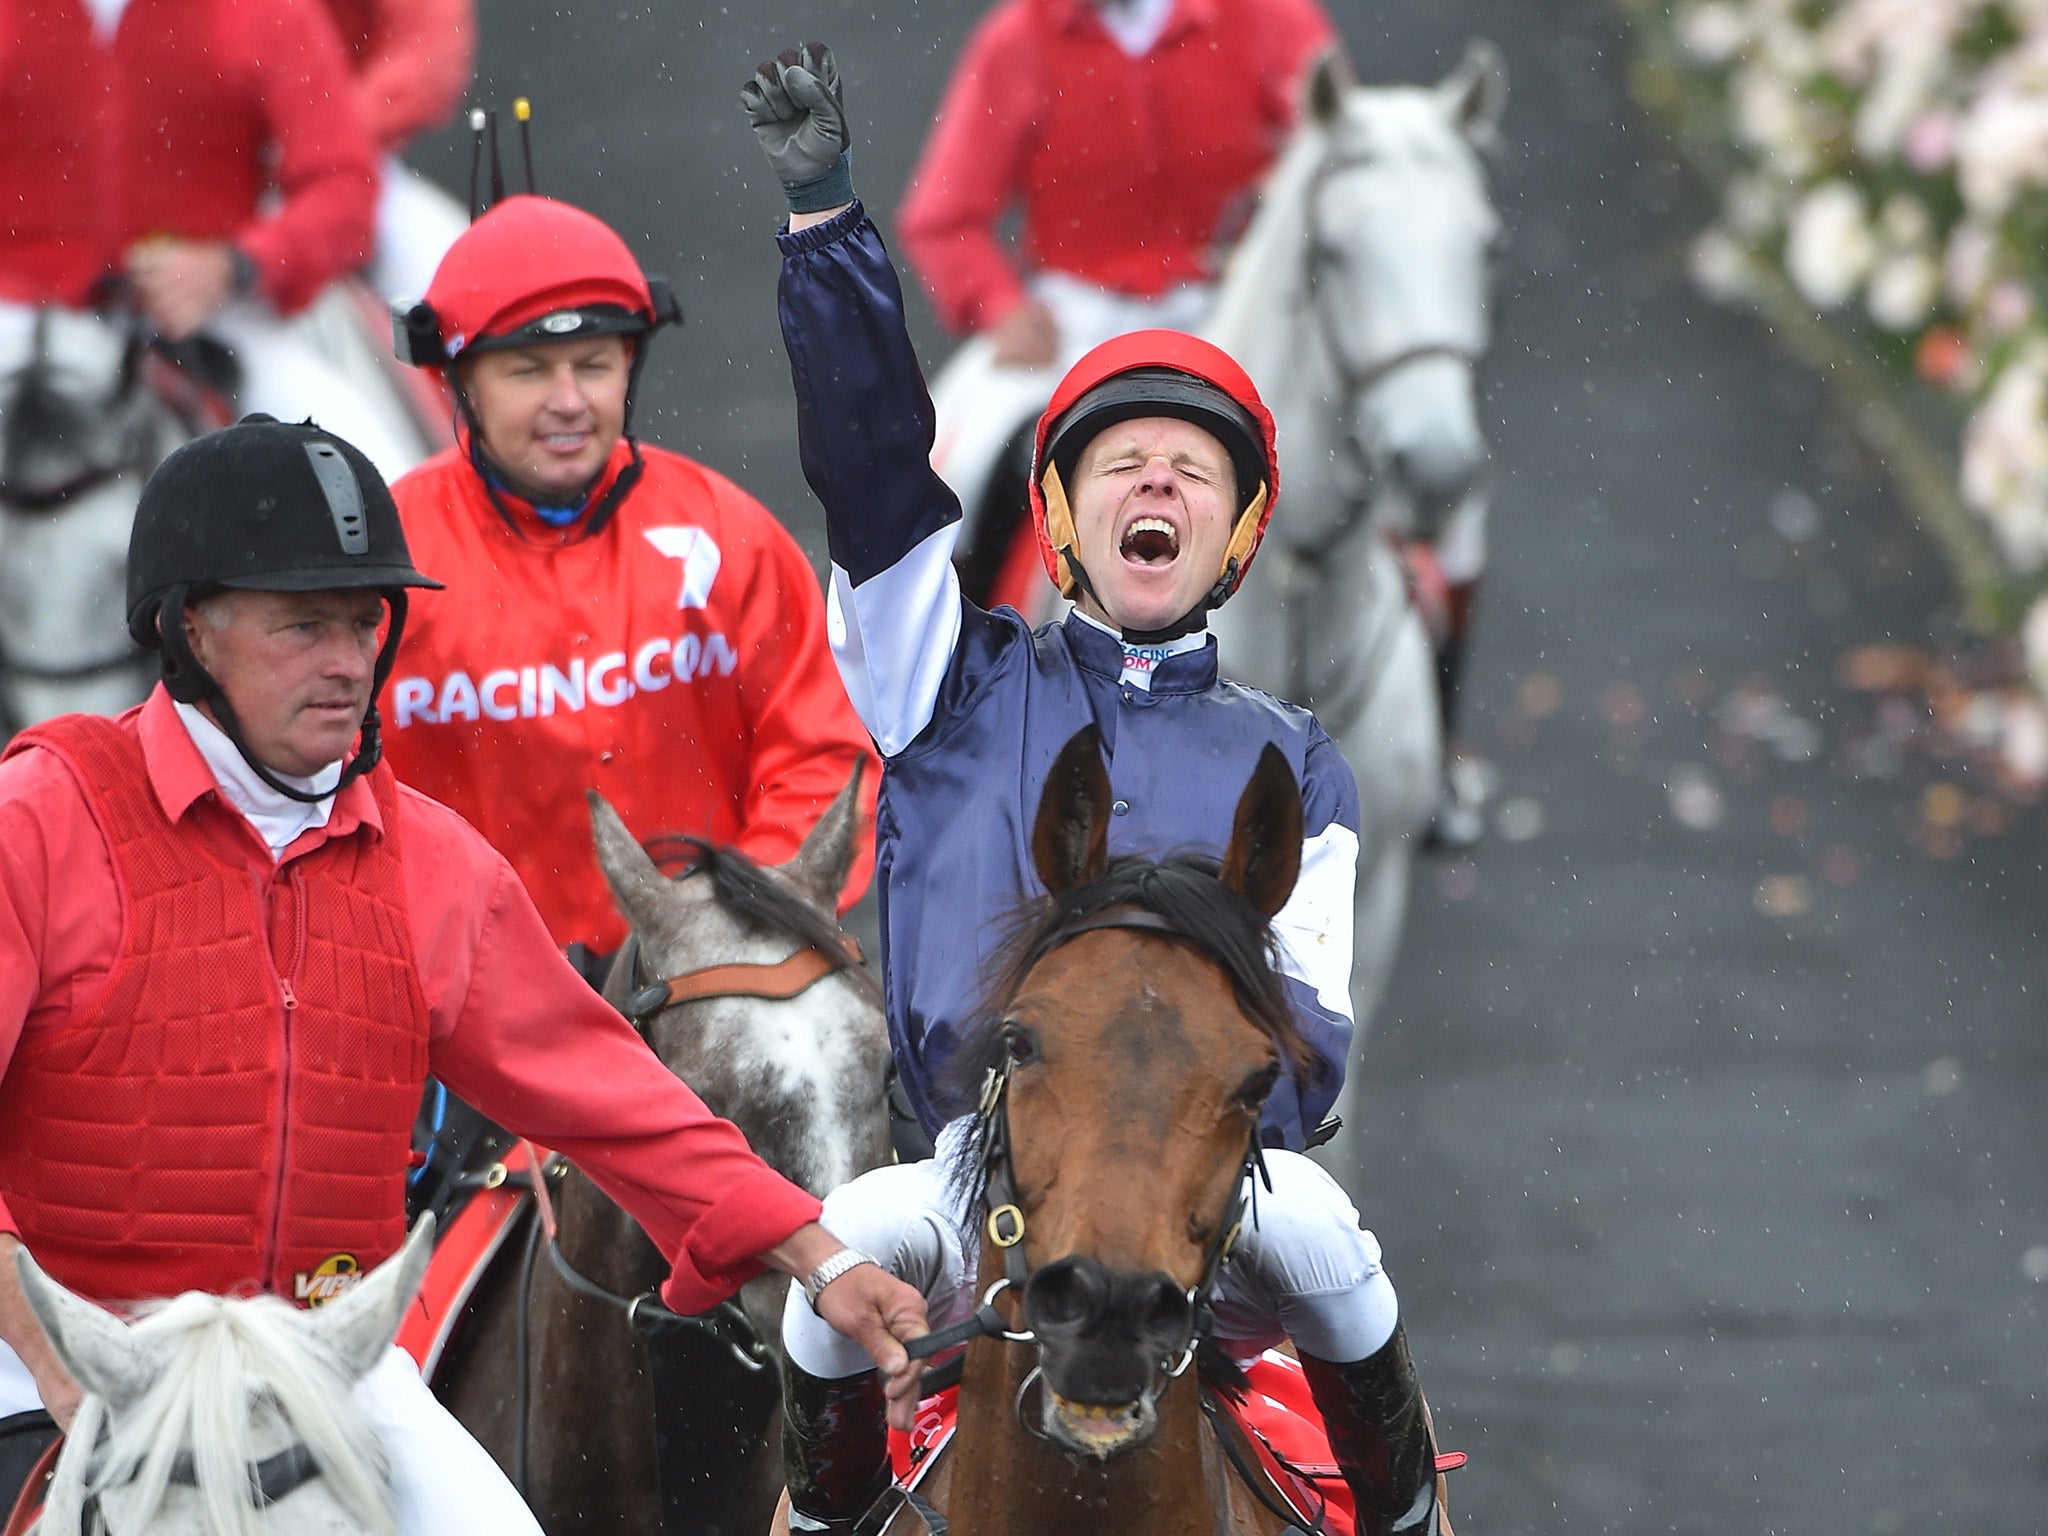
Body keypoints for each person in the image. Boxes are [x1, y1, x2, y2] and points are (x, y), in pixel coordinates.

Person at [744, 46, 1440, 1536]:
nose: (1157, 491)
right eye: (1122, 464)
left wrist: (1189, 1101)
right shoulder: (944, 683)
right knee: (835, 1252)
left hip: (1210, 1179)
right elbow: (871, 472)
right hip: (971, 1169)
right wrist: (825, 225)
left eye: (1195, 474)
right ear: (1060, 514)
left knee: (1341, 1259)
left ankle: (1407, 1522)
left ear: (1239, 533)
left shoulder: (1297, 757)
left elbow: (1312, 1040)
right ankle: (833, 1519)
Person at [0, 418, 928, 1534]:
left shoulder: (429, 860)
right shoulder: (40, 819)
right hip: (60, 1348)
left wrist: (817, 1254)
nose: (348, 661)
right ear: (190, 627)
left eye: (362, 623)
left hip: (324, 1351)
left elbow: (612, 1097)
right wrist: (59, 1362)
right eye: (304, 626)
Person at [383, 194, 880, 957]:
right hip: (461, 995)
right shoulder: (386, 561)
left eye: (593, 366)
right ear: (461, 385)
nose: (569, 402)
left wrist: (732, 919)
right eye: (527, 372)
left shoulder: (727, 535)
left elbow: (824, 757)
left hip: (714, 975)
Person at [0, 0, 421, 478]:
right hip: (18, 314)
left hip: (212, 320)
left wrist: (236, 265)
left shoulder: (258, 11)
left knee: (375, 477)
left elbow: (344, 184)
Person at [898, 0, 1335, 370]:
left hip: (1250, 312)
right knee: (959, 456)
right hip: (1075, 331)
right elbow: (943, 218)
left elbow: (1338, 160)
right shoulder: (1019, 38)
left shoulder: (1267, 16)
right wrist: (998, 306)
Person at [322, 0, 477, 303]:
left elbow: (429, 58)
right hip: (228, 180)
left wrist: (324, 137)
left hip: (352, 168)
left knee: (462, 287)